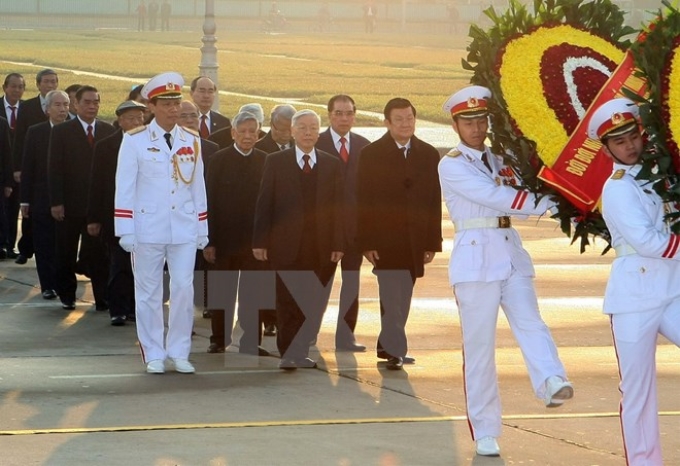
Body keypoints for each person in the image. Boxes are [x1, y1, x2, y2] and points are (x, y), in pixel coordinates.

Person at [437, 85, 573, 457]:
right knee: (480, 349)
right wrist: (548, 203)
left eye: (482, 120)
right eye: (469, 121)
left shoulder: (499, 160)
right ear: (456, 125)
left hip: (510, 253)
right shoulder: (451, 164)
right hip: (475, 260)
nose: (477, 127)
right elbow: (496, 197)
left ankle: (550, 379)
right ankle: (485, 430)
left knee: (531, 321)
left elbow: (522, 179)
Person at [589, 98, 680, 466]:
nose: (629, 146)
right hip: (634, 297)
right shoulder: (617, 188)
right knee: (638, 390)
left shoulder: (661, 174)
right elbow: (647, 242)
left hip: (671, 288)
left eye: (632, 136)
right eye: (619, 141)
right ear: (607, 148)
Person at [114, 72, 208, 375]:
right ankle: (153, 352)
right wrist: (125, 228)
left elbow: (198, 186)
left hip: (182, 227)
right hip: (147, 228)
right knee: (148, 293)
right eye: (166, 104)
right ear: (151, 107)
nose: (173, 109)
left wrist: (202, 227)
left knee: (183, 289)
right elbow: (124, 186)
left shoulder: (191, 139)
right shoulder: (135, 140)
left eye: (176, 103)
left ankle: (179, 351)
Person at [252, 109, 344, 370]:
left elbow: (339, 207)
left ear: (319, 132)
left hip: (320, 247)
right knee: (287, 299)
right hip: (285, 245)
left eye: (313, 128)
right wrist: (260, 241)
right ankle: (288, 353)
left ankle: (301, 350)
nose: (307, 132)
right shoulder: (276, 161)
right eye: (302, 127)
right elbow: (264, 203)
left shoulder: (331, 163)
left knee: (311, 302)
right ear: (292, 132)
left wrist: (338, 242)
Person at [356, 97, 442, 371]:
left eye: (410, 118)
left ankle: (389, 346)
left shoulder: (428, 154)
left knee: (403, 296)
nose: (406, 124)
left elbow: (433, 200)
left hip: (415, 240)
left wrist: (432, 242)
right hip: (383, 241)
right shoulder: (371, 154)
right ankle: (395, 349)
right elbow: (362, 200)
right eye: (399, 120)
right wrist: (366, 242)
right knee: (391, 296)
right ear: (387, 123)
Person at [204, 111, 271, 356]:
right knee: (223, 291)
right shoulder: (219, 159)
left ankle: (252, 341)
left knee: (255, 292)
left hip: (255, 242)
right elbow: (209, 200)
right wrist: (209, 241)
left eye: (252, 132)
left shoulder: (266, 160)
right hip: (224, 240)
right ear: (233, 133)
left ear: (258, 134)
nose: (247, 136)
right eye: (242, 131)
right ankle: (219, 339)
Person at [48, 85, 115, 311]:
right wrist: (56, 202)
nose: (92, 106)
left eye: (96, 102)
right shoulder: (62, 132)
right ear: (76, 104)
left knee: (99, 254)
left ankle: (103, 298)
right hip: (69, 204)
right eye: (87, 102)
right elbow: (54, 169)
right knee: (65, 251)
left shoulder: (108, 131)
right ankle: (67, 295)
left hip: (97, 206)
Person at [316, 94, 370, 352]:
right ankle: (308, 334)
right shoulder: (316, 142)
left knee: (351, 285)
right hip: (324, 232)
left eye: (349, 113)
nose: (344, 118)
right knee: (319, 286)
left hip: (355, 233)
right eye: (339, 113)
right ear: (329, 115)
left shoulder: (364, 146)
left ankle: (346, 337)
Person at [87, 100, 147, 326]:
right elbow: (97, 184)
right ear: (120, 121)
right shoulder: (106, 146)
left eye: (140, 118)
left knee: (141, 266)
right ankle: (117, 308)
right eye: (131, 118)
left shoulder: (153, 144)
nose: (136, 122)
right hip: (116, 216)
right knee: (119, 263)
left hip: (145, 216)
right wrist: (93, 218)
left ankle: (134, 308)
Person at [19, 90, 69, 301]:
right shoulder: (36, 132)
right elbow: (28, 166)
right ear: (46, 109)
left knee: (64, 246)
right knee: (44, 244)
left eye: (66, 105)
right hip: (41, 198)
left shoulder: (74, 131)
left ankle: (63, 284)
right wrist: (25, 200)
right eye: (57, 105)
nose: (62, 109)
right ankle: (48, 285)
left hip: (69, 200)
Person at [254, 103, 297, 337]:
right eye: (282, 128)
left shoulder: (300, 147)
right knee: (265, 276)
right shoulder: (261, 149)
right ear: (272, 125)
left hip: (292, 224)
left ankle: (283, 319)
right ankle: (267, 318)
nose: (286, 133)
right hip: (269, 222)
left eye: (291, 128)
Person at [12, 69, 58, 265]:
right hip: (33, 167)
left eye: (53, 82)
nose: (50, 85)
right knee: (29, 212)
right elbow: (19, 139)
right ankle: (26, 249)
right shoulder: (28, 107)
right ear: (38, 84)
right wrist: (17, 167)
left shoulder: (60, 104)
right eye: (46, 82)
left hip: (55, 168)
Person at [0, 73, 24, 260]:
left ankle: (11, 245)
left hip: (21, 169)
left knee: (15, 208)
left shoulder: (27, 110)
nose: (16, 90)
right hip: (4, 168)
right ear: (5, 87)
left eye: (20, 87)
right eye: (13, 86)